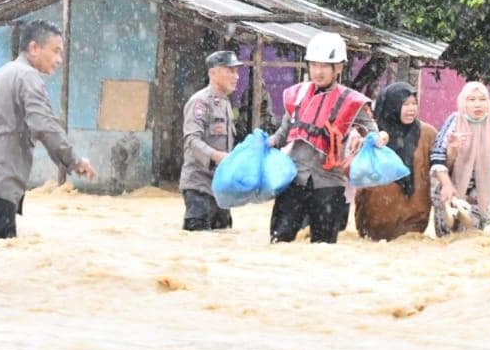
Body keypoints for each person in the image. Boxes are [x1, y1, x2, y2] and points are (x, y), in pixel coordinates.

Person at [0, 19, 97, 250]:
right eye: (55, 51)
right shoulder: (27, 76)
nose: (59, 60)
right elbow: (43, 123)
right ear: (34, 48)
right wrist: (73, 160)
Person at [268, 31, 382, 244]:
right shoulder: (297, 95)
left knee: (323, 247)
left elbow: (373, 131)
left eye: (324, 66)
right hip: (294, 181)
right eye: (314, 65)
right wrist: (265, 143)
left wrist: (374, 139)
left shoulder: (352, 101)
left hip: (329, 185)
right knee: (279, 241)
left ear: (338, 67)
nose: (317, 72)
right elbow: (282, 135)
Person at [354, 81, 437, 241]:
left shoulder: (427, 134)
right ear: (392, 105)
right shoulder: (373, 136)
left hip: (414, 222)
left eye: (414, 103)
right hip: (375, 223)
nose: (411, 109)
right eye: (405, 104)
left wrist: (454, 149)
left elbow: (443, 165)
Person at [180, 50, 242, 231]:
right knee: (197, 240)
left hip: (221, 187)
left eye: (236, 72)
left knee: (222, 239)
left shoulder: (225, 103)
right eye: (230, 71)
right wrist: (216, 156)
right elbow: (192, 139)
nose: (236, 76)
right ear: (213, 73)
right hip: (200, 186)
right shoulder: (200, 102)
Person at [430, 81, 490, 235]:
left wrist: (473, 197)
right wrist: (453, 150)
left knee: (470, 244)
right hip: (449, 192)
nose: (478, 104)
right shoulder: (454, 122)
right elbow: (437, 157)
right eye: (471, 99)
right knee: (446, 244)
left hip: (479, 197)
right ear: (463, 102)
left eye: (482, 99)